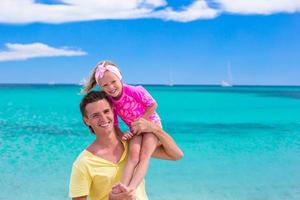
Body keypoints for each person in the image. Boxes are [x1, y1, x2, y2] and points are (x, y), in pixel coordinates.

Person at [69, 91, 183, 200]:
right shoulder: (83, 163)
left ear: (113, 112)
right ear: (87, 121)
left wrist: (154, 128)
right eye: (95, 115)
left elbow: (176, 155)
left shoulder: (133, 146)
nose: (103, 118)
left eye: (106, 111)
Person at [81, 60, 167, 193]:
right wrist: (123, 135)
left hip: (151, 125)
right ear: (101, 87)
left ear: (120, 78)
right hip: (135, 130)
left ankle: (132, 188)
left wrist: (142, 122)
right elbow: (114, 124)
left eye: (113, 82)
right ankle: (122, 187)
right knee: (133, 156)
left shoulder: (134, 90)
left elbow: (153, 105)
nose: (110, 87)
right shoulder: (110, 102)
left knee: (144, 155)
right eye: (105, 85)